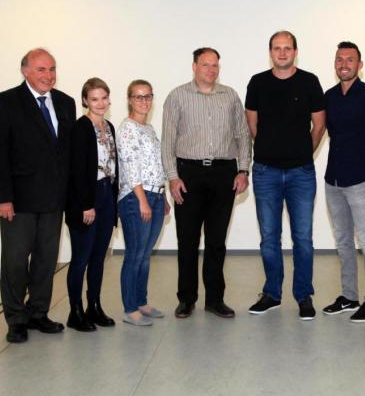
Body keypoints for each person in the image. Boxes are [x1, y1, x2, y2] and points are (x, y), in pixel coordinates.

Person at [0, 48, 76, 343]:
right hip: (18, 200)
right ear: (25, 71)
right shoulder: (3, 103)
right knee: (14, 261)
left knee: (46, 260)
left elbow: (66, 153)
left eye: (52, 69)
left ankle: (38, 313)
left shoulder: (65, 103)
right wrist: (2, 197)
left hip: (53, 199)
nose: (48, 75)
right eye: (41, 70)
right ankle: (15, 319)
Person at [162, 47, 252, 319]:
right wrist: (173, 177)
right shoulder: (177, 96)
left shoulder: (230, 96)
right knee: (187, 240)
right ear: (194, 66)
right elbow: (167, 140)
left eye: (215, 66)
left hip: (224, 174)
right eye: (205, 65)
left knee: (216, 241)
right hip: (188, 174)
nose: (211, 70)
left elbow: (243, 136)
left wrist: (243, 170)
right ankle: (186, 299)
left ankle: (215, 299)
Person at [245, 30, 326, 321]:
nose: (282, 53)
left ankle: (303, 295)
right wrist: (270, 149)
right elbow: (251, 125)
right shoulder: (257, 82)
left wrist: (302, 151)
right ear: (270, 52)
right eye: (277, 48)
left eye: (287, 48)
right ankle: (272, 294)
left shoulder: (309, 81)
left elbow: (319, 126)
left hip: (301, 172)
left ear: (295, 51)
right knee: (269, 238)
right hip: (265, 171)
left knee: (302, 238)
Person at [321, 41, 365, 323]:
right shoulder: (329, 97)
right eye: (339, 59)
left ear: (360, 65)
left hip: (360, 181)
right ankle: (349, 296)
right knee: (343, 242)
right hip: (333, 180)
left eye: (350, 60)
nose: (344, 64)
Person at [64, 77, 119, 332]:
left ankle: (93, 306)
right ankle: (75, 311)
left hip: (106, 194)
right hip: (85, 199)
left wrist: (113, 204)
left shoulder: (109, 127)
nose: (100, 103)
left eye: (104, 98)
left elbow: (113, 167)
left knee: (99, 257)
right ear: (85, 100)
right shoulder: (80, 128)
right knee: (81, 258)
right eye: (94, 99)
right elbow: (74, 171)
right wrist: (86, 204)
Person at [117, 79, 171, 326]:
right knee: (135, 254)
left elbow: (156, 166)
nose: (144, 101)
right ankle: (130, 308)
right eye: (138, 97)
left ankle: (141, 301)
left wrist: (164, 197)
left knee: (146, 255)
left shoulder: (148, 129)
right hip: (136, 198)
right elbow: (130, 167)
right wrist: (142, 201)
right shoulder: (127, 128)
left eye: (148, 96)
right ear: (130, 99)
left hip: (156, 195)